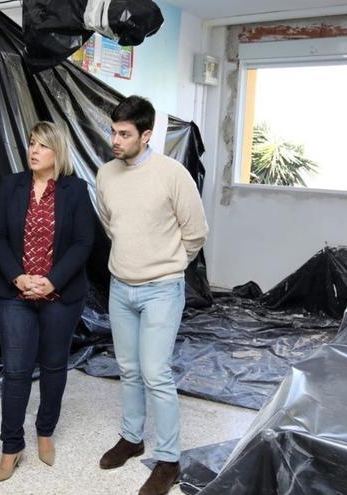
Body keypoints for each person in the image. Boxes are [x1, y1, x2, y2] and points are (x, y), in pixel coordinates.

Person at [96, 96, 208, 495]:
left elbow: (195, 231)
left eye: (124, 134)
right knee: (127, 368)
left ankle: (169, 459)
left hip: (162, 288)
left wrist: (168, 263)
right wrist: (133, 256)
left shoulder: (172, 174)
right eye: (113, 131)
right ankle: (131, 438)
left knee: (155, 373)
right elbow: (112, 224)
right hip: (120, 286)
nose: (115, 139)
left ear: (146, 135)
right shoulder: (106, 174)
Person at [0, 121, 95, 483]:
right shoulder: (11, 185)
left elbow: (83, 242)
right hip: (16, 294)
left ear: (57, 151)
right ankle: (11, 446)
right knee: (15, 371)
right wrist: (19, 277)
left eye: (42, 146)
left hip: (60, 295)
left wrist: (51, 282)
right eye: (31, 143)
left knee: (52, 366)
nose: (34, 150)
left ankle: (45, 431)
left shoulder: (75, 190)